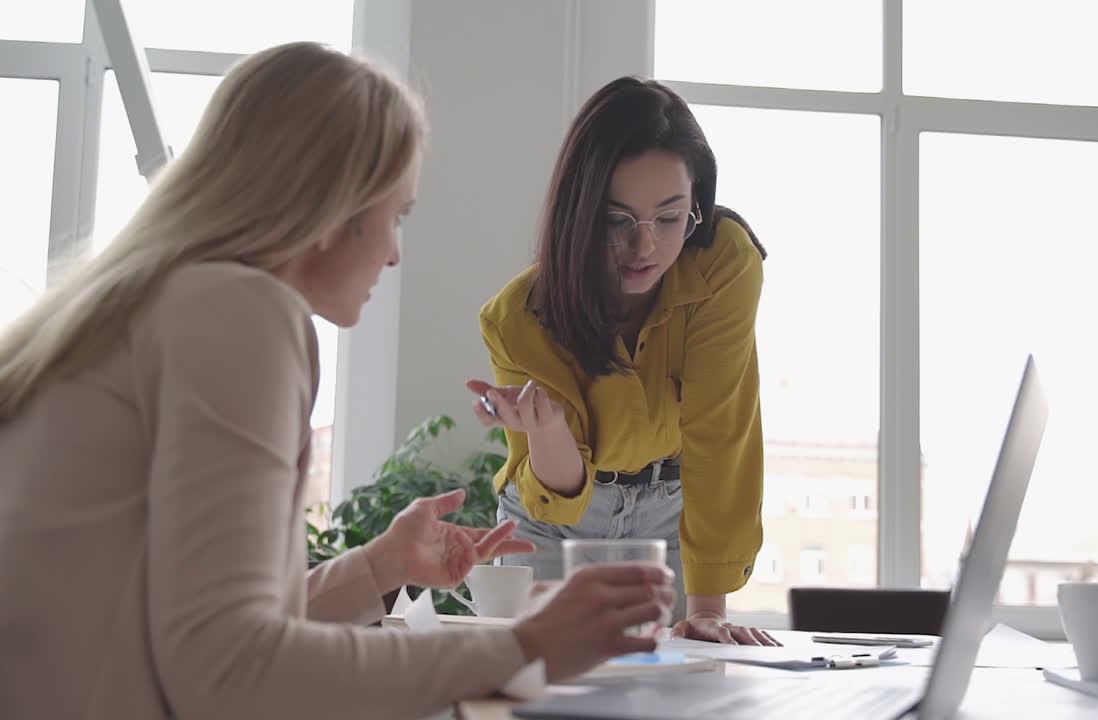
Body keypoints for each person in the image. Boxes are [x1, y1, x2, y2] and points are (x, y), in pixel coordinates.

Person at [0, 43, 674, 720]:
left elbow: (199, 635)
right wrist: (526, 650)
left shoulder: (145, 307)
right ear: (333, 209)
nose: (394, 252)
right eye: (397, 214)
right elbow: (230, 674)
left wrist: (381, 569)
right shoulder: (239, 312)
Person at [467, 76, 777, 646]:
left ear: (698, 206)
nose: (645, 248)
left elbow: (719, 431)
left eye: (669, 217)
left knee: (684, 684)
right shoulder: (516, 318)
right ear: (579, 213)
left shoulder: (722, 265)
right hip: (554, 523)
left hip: (672, 510)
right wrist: (550, 428)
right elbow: (559, 498)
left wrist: (709, 606)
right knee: (538, 691)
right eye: (617, 220)